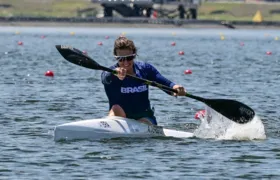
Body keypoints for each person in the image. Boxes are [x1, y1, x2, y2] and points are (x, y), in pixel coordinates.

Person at [101, 36, 186, 125]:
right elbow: (105, 78)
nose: (125, 62)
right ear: (116, 57)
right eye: (121, 59)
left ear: (134, 55)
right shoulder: (110, 73)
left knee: (143, 121)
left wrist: (176, 88)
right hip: (120, 115)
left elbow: (165, 83)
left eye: (129, 58)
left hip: (144, 117)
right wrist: (114, 73)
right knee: (116, 108)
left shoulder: (145, 69)